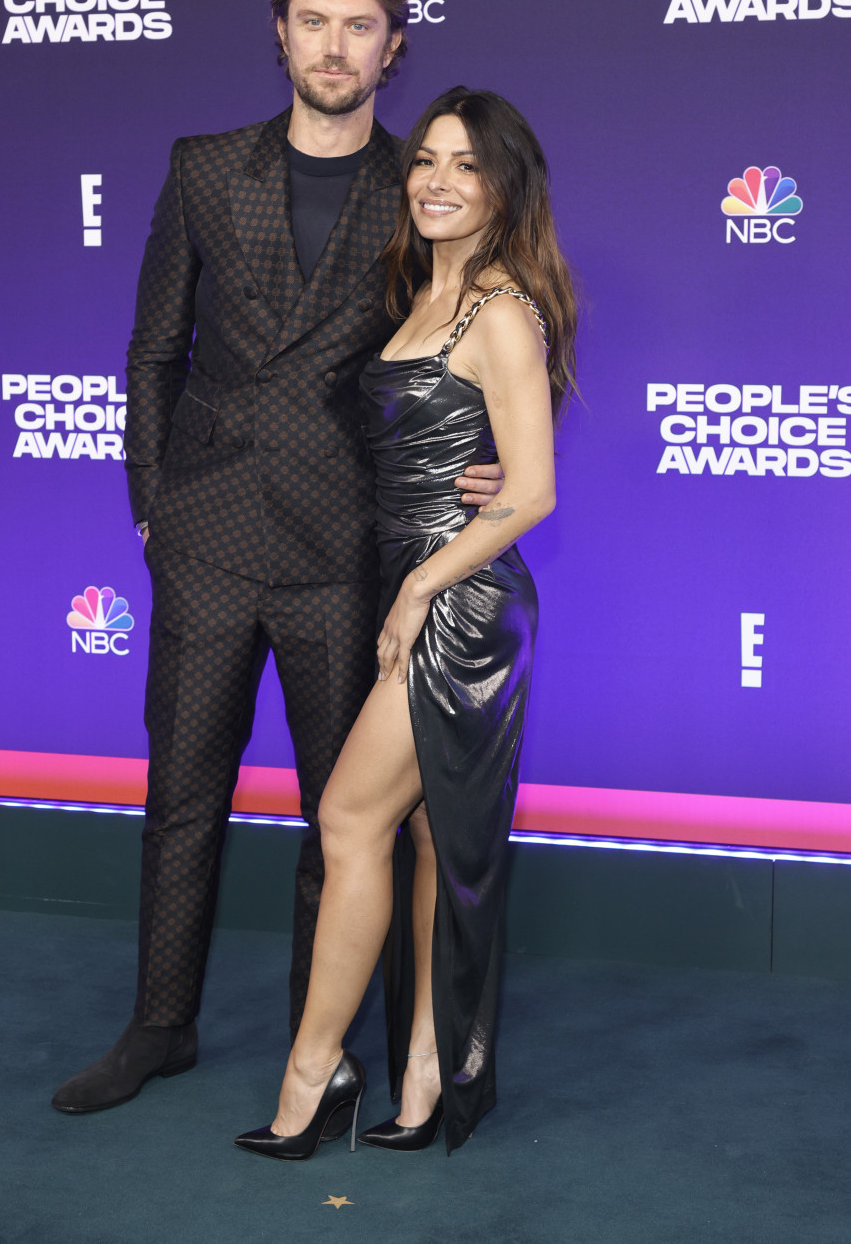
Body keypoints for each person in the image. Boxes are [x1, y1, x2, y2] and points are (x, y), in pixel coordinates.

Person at [51, 0, 506, 1115]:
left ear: (393, 49)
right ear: (281, 34)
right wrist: (153, 506)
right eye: (315, 22)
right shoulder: (203, 168)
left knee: (336, 816)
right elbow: (154, 349)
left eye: (360, 27)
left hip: (344, 546)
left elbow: (486, 325)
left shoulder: (423, 188)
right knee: (181, 791)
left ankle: (327, 1043)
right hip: (204, 534)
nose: (335, 46)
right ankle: (161, 1025)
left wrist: (491, 456)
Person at [234, 87, 578, 1160]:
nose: (435, 179)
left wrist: (423, 587)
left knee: (346, 822)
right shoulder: (417, 295)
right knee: (428, 839)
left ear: (502, 187)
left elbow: (530, 494)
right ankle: (426, 1075)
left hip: (460, 605)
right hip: (414, 581)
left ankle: (313, 1073)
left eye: (465, 165)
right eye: (425, 159)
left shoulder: (503, 309)